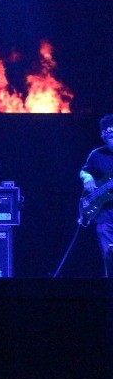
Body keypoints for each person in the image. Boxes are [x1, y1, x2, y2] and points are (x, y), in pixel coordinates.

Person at [79, 114, 113, 277]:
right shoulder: (96, 154)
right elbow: (84, 171)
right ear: (103, 136)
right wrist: (87, 177)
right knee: (109, 257)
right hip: (104, 216)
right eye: (108, 132)